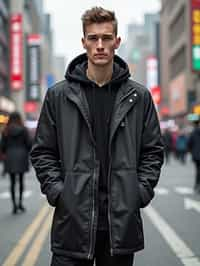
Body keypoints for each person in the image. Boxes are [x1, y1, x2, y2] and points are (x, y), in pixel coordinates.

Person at [30, 6, 164, 266]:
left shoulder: (139, 97)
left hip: (120, 226)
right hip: (73, 224)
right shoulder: (59, 96)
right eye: (93, 38)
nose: (100, 45)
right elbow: (42, 151)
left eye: (106, 38)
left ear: (117, 41)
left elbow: (153, 151)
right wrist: (59, 192)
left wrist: (140, 192)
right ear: (84, 43)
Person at [0, 112, 32, 214]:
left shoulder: (6, 130)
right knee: (21, 181)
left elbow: (2, 146)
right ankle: (20, 204)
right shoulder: (24, 130)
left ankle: (14, 205)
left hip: (10, 156)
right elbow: (29, 143)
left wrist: (5, 154)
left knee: (12, 182)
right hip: (21, 155)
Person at [188, 119, 200, 193]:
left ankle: (197, 185)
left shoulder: (193, 132)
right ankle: (197, 185)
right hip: (196, 154)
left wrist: (191, 151)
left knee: (198, 170)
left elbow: (189, 143)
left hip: (196, 155)